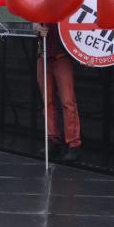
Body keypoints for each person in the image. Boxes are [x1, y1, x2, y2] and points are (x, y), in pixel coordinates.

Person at [32, 19, 81, 163]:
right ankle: (53, 139)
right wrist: (36, 26)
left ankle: (73, 144)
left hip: (61, 55)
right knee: (47, 101)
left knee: (67, 101)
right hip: (44, 54)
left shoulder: (65, 1)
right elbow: (33, 16)